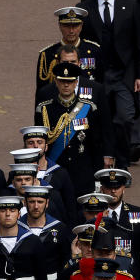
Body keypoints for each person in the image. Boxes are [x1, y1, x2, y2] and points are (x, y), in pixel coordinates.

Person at [77, 0, 140, 165]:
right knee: (98, 120)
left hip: (123, 75)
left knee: (125, 118)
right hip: (97, 76)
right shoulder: (84, 9)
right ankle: (99, 162)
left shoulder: (131, 6)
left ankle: (123, 165)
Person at [34, 62, 114, 197]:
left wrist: (98, 172)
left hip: (82, 170)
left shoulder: (89, 108)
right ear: (56, 82)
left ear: (76, 83)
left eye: (70, 82)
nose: (66, 85)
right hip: (55, 168)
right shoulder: (44, 109)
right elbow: (38, 141)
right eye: (62, 81)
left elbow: (95, 143)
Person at [36, 7, 103, 92]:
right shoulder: (47, 54)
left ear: (81, 26)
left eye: (75, 26)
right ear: (59, 26)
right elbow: (42, 92)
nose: (71, 31)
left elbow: (101, 84)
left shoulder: (94, 50)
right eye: (66, 26)